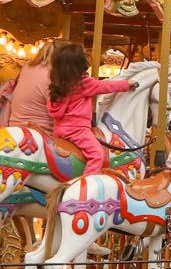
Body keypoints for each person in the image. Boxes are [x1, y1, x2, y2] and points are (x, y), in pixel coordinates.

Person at [43, 41, 142, 194]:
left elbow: (54, 109)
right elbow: (106, 87)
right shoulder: (83, 83)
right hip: (77, 130)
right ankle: (84, 189)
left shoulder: (59, 84)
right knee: (97, 154)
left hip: (60, 130)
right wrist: (127, 84)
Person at [0, 41, 55, 132]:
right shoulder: (51, 74)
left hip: (14, 125)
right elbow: (55, 108)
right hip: (40, 129)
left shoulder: (27, 67)